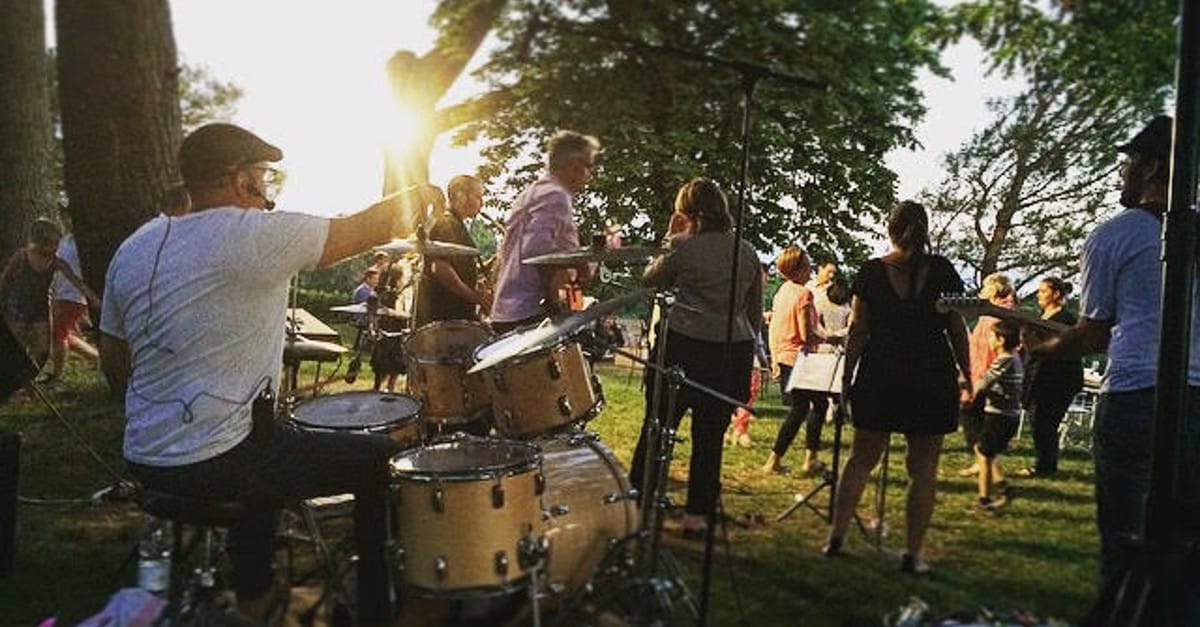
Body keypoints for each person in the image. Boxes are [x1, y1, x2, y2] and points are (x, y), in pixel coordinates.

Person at [99, 123, 435, 625]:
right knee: (380, 461)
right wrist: (428, 190)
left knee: (265, 442)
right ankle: (377, 609)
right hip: (215, 460)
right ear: (242, 182)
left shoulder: (137, 244)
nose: (267, 194)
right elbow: (377, 224)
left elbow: (112, 358)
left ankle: (255, 593)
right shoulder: (251, 235)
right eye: (264, 180)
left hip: (143, 454)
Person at [1022, 115, 1200, 591]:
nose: (1120, 173)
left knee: (1125, 547)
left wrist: (1045, 348)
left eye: (1127, 163)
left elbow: (1093, 336)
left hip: (1138, 396)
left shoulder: (1116, 235)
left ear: (1153, 167)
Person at [824, 200, 971, 575]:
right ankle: (912, 553)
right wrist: (968, 376)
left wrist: (846, 379)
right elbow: (957, 330)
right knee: (923, 468)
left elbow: (858, 331)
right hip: (931, 374)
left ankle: (836, 537)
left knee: (860, 459)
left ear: (889, 229)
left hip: (881, 372)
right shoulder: (943, 271)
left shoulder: (871, 273)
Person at [629, 178, 762, 538]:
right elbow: (752, 313)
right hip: (730, 352)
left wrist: (668, 239)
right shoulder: (747, 252)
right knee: (710, 436)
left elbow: (649, 280)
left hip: (683, 347)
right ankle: (697, 516)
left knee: (657, 425)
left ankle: (639, 504)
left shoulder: (682, 247)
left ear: (686, 213)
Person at [490, 130, 598, 334]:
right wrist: (581, 264)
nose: (588, 174)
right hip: (529, 311)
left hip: (509, 307)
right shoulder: (556, 195)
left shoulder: (533, 191)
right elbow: (538, 250)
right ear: (574, 166)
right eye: (587, 166)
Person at [762, 246, 835, 476]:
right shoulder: (804, 294)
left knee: (804, 407)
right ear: (799, 268)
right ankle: (784, 460)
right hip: (799, 359)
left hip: (784, 356)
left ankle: (799, 459)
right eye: (808, 266)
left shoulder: (782, 292)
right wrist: (833, 337)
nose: (811, 271)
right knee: (807, 408)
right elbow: (807, 334)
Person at [1, 218, 96, 371]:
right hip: (18, 306)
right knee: (18, 347)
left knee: (44, 350)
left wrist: (93, 298)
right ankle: (20, 381)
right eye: (54, 244)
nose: (57, 248)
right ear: (42, 243)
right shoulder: (22, 256)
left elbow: (76, 281)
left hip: (40, 309)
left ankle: (30, 374)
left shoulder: (56, 262)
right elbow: (5, 278)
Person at [1018, 277, 1083, 478]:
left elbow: (1064, 347)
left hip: (1058, 378)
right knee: (1038, 421)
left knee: (1045, 422)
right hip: (1038, 376)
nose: (1039, 295)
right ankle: (1044, 463)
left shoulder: (1066, 320)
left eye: (1043, 291)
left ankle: (1046, 466)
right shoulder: (1041, 317)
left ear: (1056, 294)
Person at [957, 273, 1016, 477]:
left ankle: (990, 470)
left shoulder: (998, 316)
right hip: (981, 372)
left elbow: (990, 351)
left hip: (987, 375)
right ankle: (981, 462)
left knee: (974, 419)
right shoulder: (995, 313)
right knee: (977, 420)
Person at [414, 174, 492, 326]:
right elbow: (440, 268)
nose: (482, 203)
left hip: (453, 318)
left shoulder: (455, 224)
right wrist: (476, 298)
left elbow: (457, 267)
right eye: (478, 197)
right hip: (445, 320)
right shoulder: (446, 224)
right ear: (460, 196)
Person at [970, 319, 1023, 512]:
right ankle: (1003, 486)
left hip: (1000, 416)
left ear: (1000, 340)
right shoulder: (1015, 358)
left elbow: (984, 383)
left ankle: (984, 501)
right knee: (982, 450)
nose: (988, 340)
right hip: (1007, 415)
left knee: (984, 456)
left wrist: (968, 386)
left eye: (991, 336)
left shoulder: (1005, 360)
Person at [46, 219, 100, 385]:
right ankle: (96, 357)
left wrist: (89, 295)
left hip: (75, 295)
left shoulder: (83, 243)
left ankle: (57, 376)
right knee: (63, 334)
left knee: (58, 334)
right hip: (60, 294)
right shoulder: (65, 240)